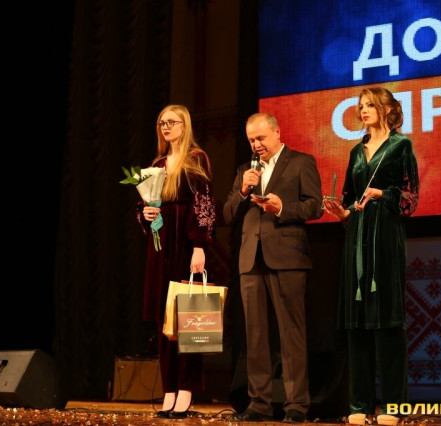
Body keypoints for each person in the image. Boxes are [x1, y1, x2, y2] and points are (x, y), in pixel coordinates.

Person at [323, 87, 419, 425]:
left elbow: (410, 198)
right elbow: (351, 200)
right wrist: (342, 212)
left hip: (386, 237)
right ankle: (359, 405)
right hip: (357, 237)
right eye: (361, 106)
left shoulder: (401, 145)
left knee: (388, 322)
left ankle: (394, 405)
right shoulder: (355, 151)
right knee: (358, 323)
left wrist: (383, 193)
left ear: (387, 109)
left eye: (370, 105)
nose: (363, 110)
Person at [223, 112, 323, 423]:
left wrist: (282, 208)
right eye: (251, 140)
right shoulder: (245, 170)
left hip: (288, 257)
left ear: (277, 133)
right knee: (255, 335)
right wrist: (243, 191)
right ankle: (259, 404)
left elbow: (315, 206)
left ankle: (296, 405)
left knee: (291, 334)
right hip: (250, 259)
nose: (256, 144)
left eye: (261, 138)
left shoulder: (301, 162)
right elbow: (227, 214)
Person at [137, 104, 216, 419]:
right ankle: (169, 387)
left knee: (188, 318)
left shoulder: (196, 159)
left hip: (185, 242)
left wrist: (199, 246)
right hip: (160, 244)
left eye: (172, 121)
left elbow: (204, 203)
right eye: (161, 123)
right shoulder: (156, 164)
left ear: (185, 125)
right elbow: (143, 206)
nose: (166, 127)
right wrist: (145, 214)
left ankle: (186, 389)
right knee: (164, 319)